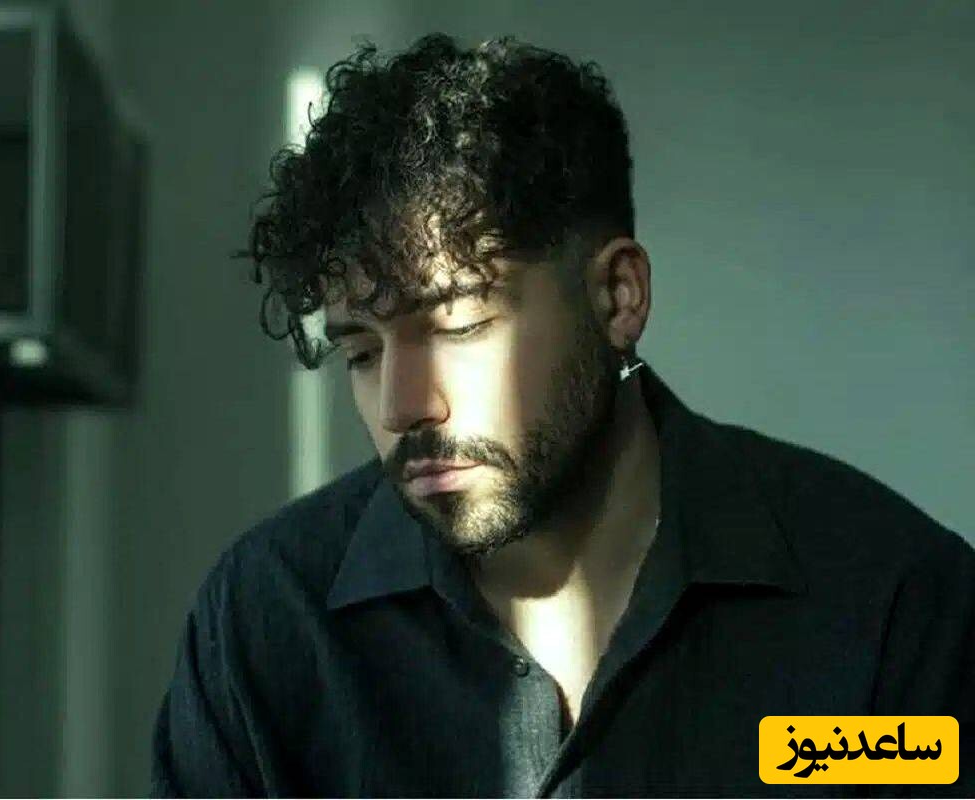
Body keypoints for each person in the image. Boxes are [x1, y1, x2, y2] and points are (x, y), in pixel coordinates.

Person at [151, 34, 973, 797]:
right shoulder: (267, 619)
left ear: (618, 296)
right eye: (361, 352)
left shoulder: (890, 601)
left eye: (458, 326)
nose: (403, 406)